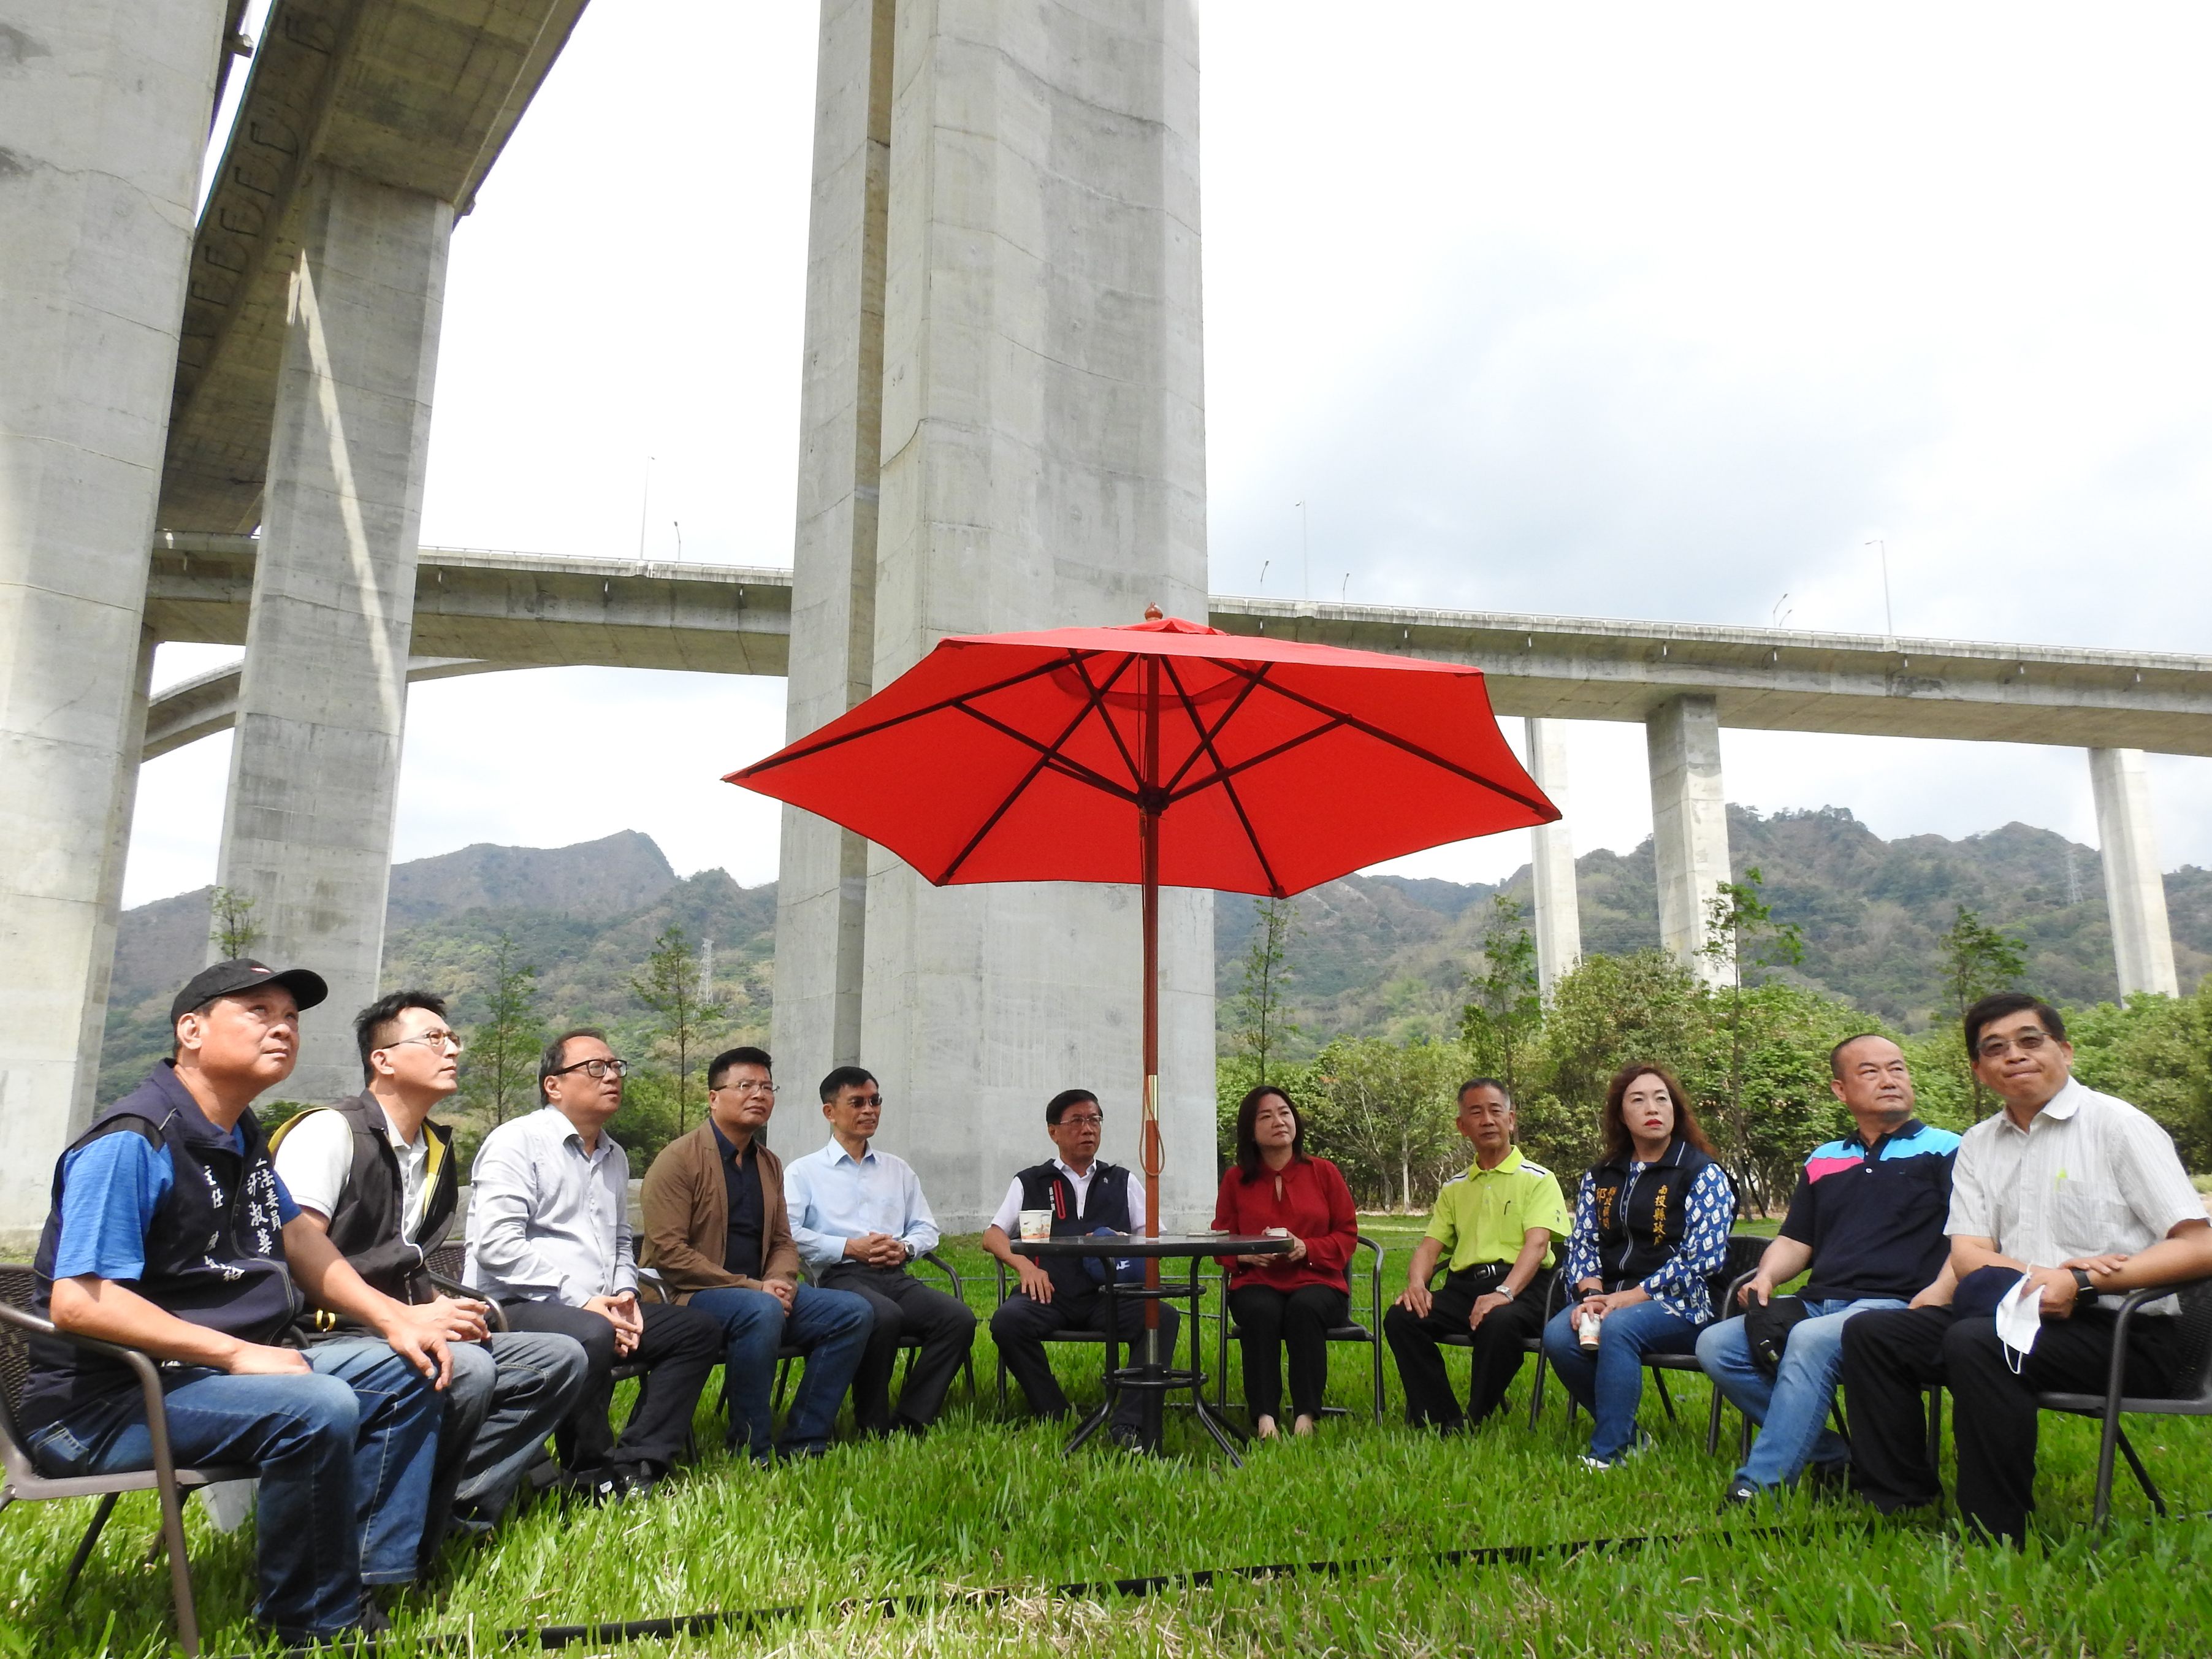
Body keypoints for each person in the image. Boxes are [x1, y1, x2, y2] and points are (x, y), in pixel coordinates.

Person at [18, 961, 452, 1643]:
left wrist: (394, 1318)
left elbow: (303, 1244)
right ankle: (310, 1623)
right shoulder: (135, 1139)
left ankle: (365, 1582)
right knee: (316, 1405)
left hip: (199, 1379)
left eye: (292, 1017)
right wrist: (237, 1352)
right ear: (190, 1030)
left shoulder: (240, 1135)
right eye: (258, 1011)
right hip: (101, 1406)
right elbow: (82, 1303)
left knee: (411, 1369)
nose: (283, 1027)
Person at [1840, 993, 2212, 1544]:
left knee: (1979, 1342)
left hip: (2125, 1331)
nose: (2014, 1055)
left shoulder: (2118, 1126)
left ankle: (1995, 1531)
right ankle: (1898, 1500)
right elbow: (1969, 1255)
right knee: (1873, 1333)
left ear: (2065, 1050)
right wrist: (2054, 1274)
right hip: (2020, 1308)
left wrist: (2083, 1281)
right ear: (1979, 1070)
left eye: (2030, 1040)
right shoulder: (1979, 1144)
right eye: (1995, 1048)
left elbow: (2199, 1245)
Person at [270, 990, 588, 1556]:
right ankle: (376, 1548)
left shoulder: (436, 1148)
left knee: (557, 1359)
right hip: (316, 1330)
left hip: (398, 1325)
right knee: (465, 1369)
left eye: (453, 1038)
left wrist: (436, 1313)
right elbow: (296, 1256)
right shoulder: (330, 1133)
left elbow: (405, 1258)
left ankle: (447, 1509)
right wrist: (408, 1317)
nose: (452, 1049)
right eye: (433, 1038)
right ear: (383, 1059)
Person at [1694, 1034, 1959, 1503]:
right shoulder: (1824, 1160)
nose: (1889, 1080)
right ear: (1841, 1091)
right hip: (1821, 1302)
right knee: (1717, 1345)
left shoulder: (1948, 1150)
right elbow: (1797, 1239)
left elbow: (1970, 1239)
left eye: (1897, 1068)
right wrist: (1768, 1275)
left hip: (1896, 1304)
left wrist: (1940, 1291)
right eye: (1871, 1072)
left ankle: (1759, 1487)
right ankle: (1833, 1456)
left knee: (1811, 1340)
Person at [463, 1028, 721, 1500]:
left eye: (616, 1067)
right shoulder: (516, 1142)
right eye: (595, 1068)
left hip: (600, 1306)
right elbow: (497, 1246)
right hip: (514, 1305)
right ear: (553, 1085)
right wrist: (583, 1300)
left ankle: (641, 1460)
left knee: (696, 1331)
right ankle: (590, 1474)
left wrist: (625, 1294)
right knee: (591, 1332)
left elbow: (621, 1238)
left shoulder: (614, 1154)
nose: (611, 1077)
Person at [639, 1045, 872, 1462]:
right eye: (745, 1085)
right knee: (759, 1311)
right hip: (691, 1295)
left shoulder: (769, 1163)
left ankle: (805, 1440)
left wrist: (780, 1282)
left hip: (761, 1292)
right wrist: (753, 1288)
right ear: (714, 1097)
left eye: (767, 1087)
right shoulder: (679, 1160)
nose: (759, 1095)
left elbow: (784, 1239)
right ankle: (751, 1448)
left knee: (852, 1312)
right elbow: (669, 1255)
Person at [1541, 1062, 1735, 1470]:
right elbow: (1583, 1244)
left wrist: (1630, 1298)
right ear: (1621, 1115)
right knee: (1560, 1335)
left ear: (1675, 1111)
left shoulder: (1702, 1173)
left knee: (1619, 1327)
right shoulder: (1602, 1176)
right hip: (1611, 1299)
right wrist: (1593, 1296)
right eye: (1639, 1100)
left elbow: (1704, 1256)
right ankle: (1629, 1435)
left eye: (1662, 1099)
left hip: (1686, 1305)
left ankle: (1610, 1452)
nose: (1653, 1108)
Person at [784, 1067, 977, 1436]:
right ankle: (872, 1421)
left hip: (895, 1274)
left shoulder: (897, 1169)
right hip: (840, 1277)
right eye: (857, 1103)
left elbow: (926, 1227)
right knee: (882, 1316)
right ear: (830, 1112)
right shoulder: (803, 1172)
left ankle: (911, 1417)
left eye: (875, 1101)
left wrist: (904, 1248)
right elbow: (789, 1234)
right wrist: (847, 1247)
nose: (869, 1110)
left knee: (958, 1319)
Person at [982, 1088, 1173, 1443]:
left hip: (1109, 1295)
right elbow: (993, 1235)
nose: (1088, 1129)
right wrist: (1024, 1266)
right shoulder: (1031, 1181)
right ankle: (1053, 1410)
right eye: (1077, 1121)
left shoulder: (1122, 1180)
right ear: (1053, 1131)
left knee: (1161, 1317)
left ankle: (1129, 1423)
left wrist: (1126, 1242)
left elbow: (1153, 1239)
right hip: (1048, 1293)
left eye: (1095, 1120)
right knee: (1008, 1322)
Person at [1383, 1078, 1572, 1435]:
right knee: (1401, 1317)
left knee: (1500, 1322)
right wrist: (1416, 1284)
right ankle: (1443, 1419)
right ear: (1462, 1126)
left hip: (1525, 1287)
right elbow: (1429, 1247)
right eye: (1476, 1112)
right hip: (1464, 1287)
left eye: (1495, 1111)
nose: (1487, 1120)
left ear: (1511, 1120)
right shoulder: (1454, 1188)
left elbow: (1537, 1244)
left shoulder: (1538, 1179)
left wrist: (1504, 1293)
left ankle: (1477, 1415)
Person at [1210, 1086, 1359, 1438]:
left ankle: (1306, 1414)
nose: (1279, 1122)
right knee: (1261, 1312)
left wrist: (1307, 1247)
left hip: (1318, 1282)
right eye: (1266, 1116)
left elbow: (1347, 1234)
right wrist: (1246, 1253)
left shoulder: (1325, 1172)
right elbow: (1219, 1240)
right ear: (1250, 1130)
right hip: (1256, 1283)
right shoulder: (1236, 1179)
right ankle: (1265, 1417)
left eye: (1285, 1113)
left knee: (1304, 1309)